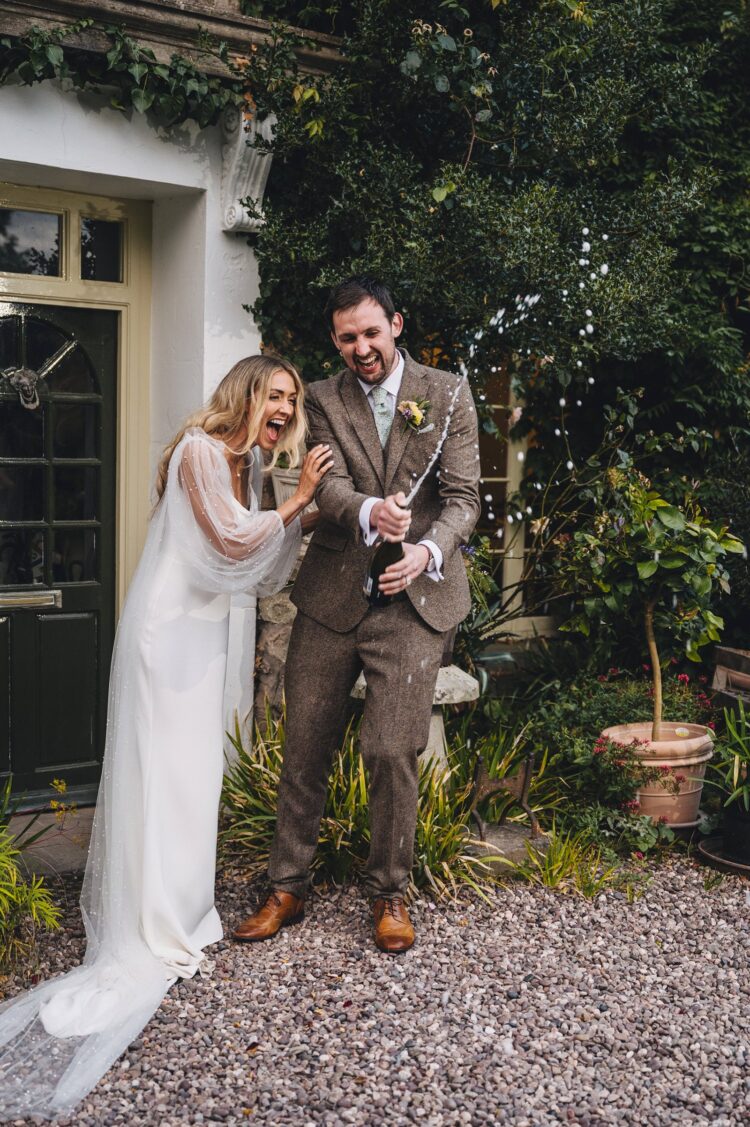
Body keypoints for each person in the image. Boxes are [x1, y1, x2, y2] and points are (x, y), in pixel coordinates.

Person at [0, 354, 332, 1119]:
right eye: (275, 395)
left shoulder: (245, 464)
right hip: (166, 634)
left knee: (194, 773)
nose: (284, 408)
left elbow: (254, 562)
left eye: (292, 400)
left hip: (203, 633)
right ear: (247, 394)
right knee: (162, 770)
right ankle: (149, 923)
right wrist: (301, 501)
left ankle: (184, 912)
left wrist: (321, 509)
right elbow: (225, 536)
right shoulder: (197, 451)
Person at [233, 277, 480, 954]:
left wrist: (427, 548)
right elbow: (330, 481)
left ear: (397, 324)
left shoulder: (448, 393)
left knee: (391, 748)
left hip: (413, 601)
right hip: (333, 596)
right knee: (304, 740)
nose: (361, 348)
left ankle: (390, 892)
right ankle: (287, 885)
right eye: (347, 337)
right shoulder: (318, 396)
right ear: (335, 340)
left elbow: (464, 498)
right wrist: (371, 510)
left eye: (371, 332)